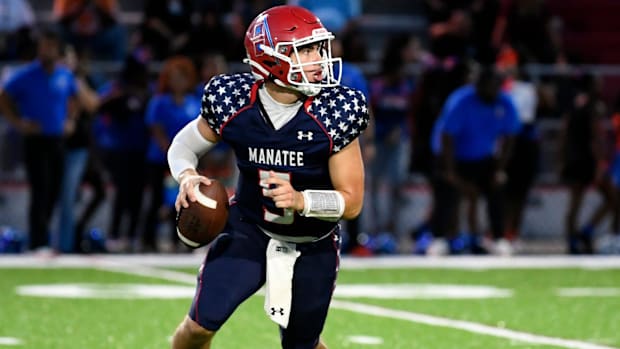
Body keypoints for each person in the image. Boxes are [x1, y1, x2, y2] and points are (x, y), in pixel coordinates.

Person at [167, 5, 369, 349]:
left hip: (313, 242)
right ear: (270, 58)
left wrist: (302, 200)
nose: (319, 58)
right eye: (304, 50)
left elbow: (352, 203)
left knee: (301, 345)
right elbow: (183, 146)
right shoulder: (233, 100)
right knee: (198, 328)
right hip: (249, 229)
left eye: (318, 47)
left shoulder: (335, 110)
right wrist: (187, 176)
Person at [0, 30, 79, 254]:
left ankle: (47, 237)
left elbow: (74, 99)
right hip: (36, 140)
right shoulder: (26, 74)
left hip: (57, 139)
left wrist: (70, 120)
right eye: (44, 46)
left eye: (52, 46)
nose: (48, 51)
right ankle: (38, 240)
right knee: (40, 189)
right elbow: (4, 97)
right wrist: (18, 122)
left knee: (54, 189)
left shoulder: (65, 75)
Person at [429, 66, 520, 255]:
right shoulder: (461, 101)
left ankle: (498, 238)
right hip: (453, 156)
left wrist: (500, 169)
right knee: (446, 194)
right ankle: (439, 239)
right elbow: (447, 137)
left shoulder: (505, 103)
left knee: (497, 190)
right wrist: (451, 171)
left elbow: (510, 137)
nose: (493, 90)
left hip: (483, 157)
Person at [143, 55, 200, 252]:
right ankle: (147, 240)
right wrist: (173, 154)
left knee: (185, 201)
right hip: (160, 160)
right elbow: (156, 130)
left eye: (181, 77)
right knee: (157, 201)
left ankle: (182, 240)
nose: (178, 82)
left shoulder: (193, 102)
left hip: (187, 163)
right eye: (174, 77)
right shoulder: (159, 102)